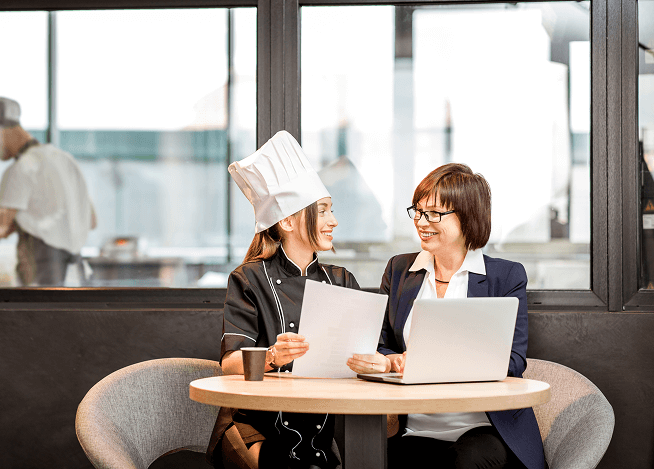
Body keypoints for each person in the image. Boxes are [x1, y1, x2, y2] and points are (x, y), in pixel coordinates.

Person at [346, 163, 546, 469]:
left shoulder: (504, 277)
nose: (421, 222)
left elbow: (513, 361)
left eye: (434, 214)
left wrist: (428, 363)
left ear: (468, 217)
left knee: (468, 460)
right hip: (412, 428)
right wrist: (391, 361)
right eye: (418, 211)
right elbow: (381, 343)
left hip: (482, 427)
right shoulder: (400, 270)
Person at [207, 131, 360, 469]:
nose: (333, 221)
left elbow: (360, 354)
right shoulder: (248, 278)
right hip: (255, 428)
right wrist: (274, 355)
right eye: (322, 212)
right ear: (288, 221)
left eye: (332, 210)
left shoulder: (341, 280)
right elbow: (229, 363)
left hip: (317, 432)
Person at [0, 97, 97, 286]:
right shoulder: (64, 159)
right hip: (76, 278)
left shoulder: (22, 169)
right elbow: (91, 220)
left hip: (42, 282)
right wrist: (20, 223)